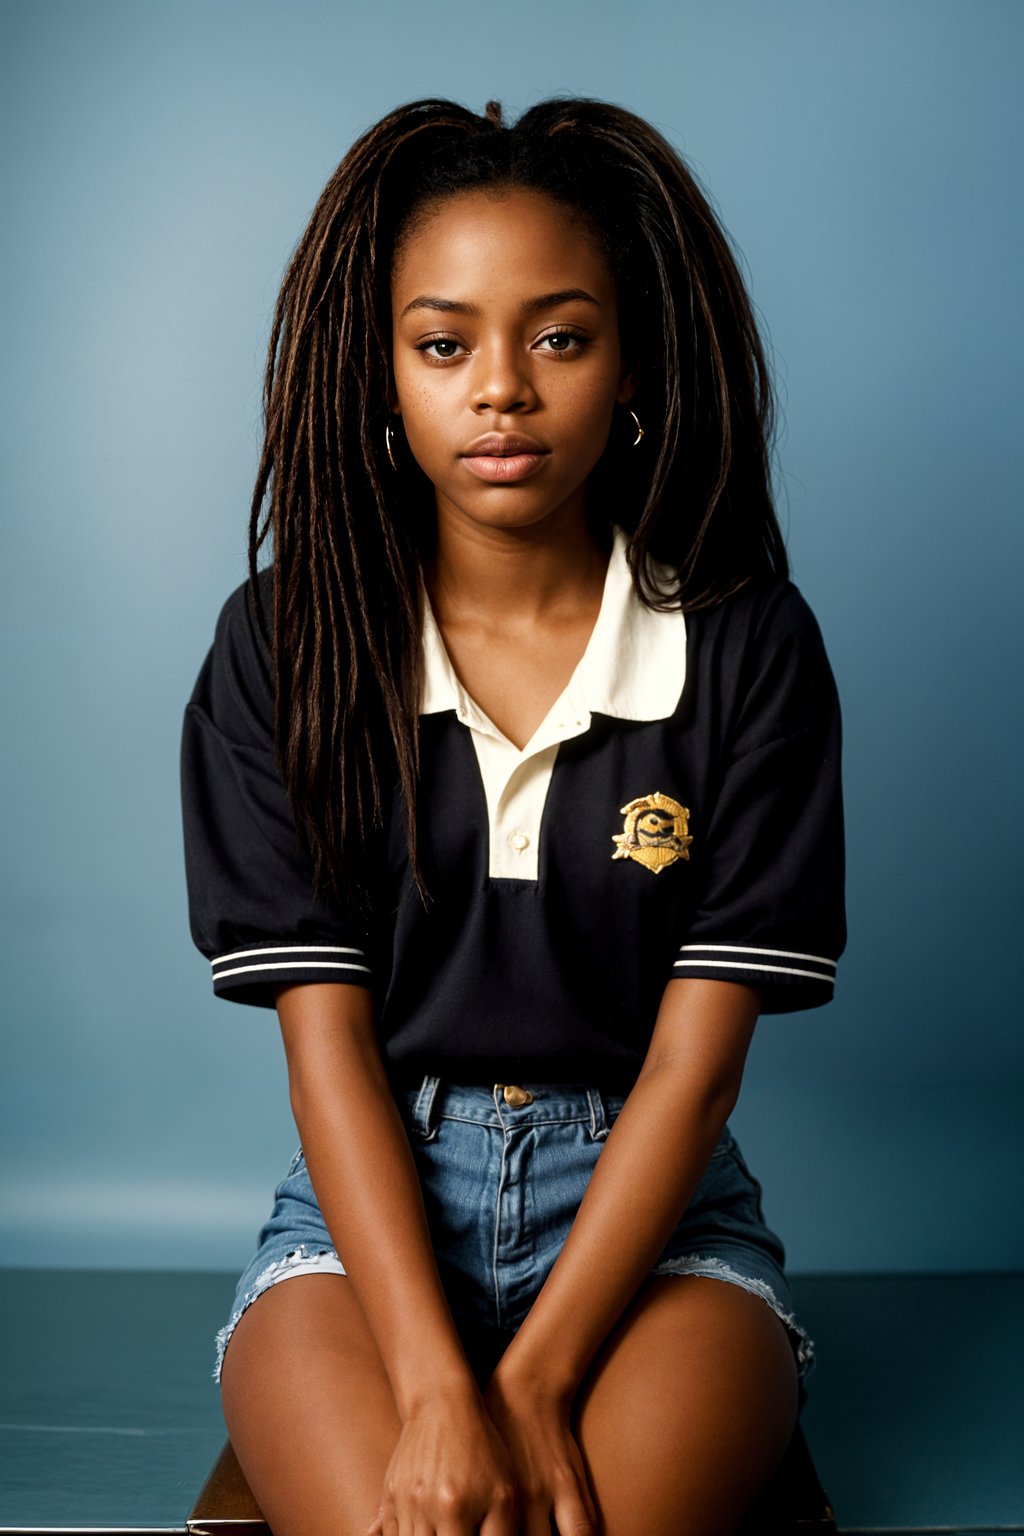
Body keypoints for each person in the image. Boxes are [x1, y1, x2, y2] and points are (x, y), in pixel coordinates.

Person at [181, 96, 845, 1536]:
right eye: (444, 343)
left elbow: (693, 1073)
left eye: (559, 336)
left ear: (633, 367)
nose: (502, 388)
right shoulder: (283, 644)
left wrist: (534, 1387)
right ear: (382, 373)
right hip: (368, 1229)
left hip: (656, 1224)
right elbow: (332, 1050)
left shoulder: (747, 647)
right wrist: (431, 1386)